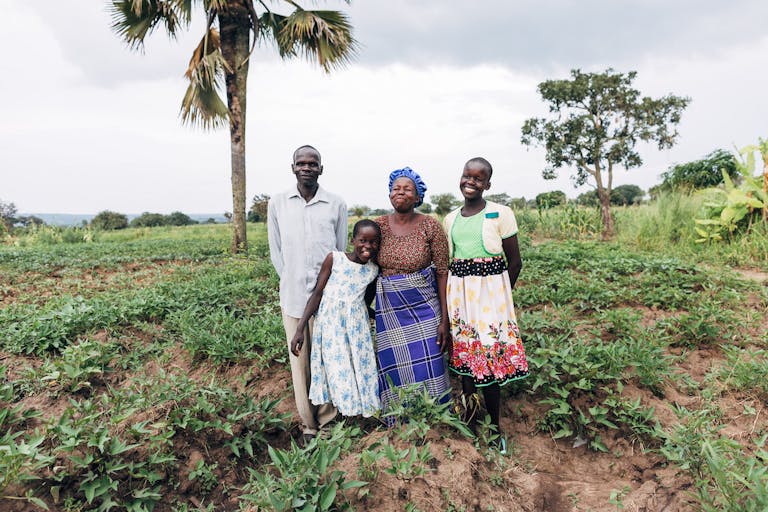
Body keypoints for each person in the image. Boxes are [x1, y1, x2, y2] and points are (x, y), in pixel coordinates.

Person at [442, 157, 529, 452]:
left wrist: (500, 298)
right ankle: (469, 421)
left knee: (490, 365)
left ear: (487, 184)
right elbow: (452, 263)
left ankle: (494, 429)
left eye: (479, 178)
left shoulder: (500, 213)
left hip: (491, 301)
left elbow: (514, 263)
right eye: (467, 175)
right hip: (461, 298)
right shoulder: (451, 219)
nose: (471, 182)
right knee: (466, 362)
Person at [267, 145, 347, 443]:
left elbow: (338, 251)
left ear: (321, 169)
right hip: (293, 298)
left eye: (313, 163)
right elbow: (276, 252)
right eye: (301, 163)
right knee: (299, 365)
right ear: (293, 168)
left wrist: (327, 288)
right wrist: (291, 280)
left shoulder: (335, 203)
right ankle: (308, 425)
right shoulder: (278, 203)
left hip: (327, 299)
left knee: (325, 361)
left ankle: (328, 421)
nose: (307, 168)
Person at [374, 167, 452, 420]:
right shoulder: (378, 226)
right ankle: (399, 420)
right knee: (394, 366)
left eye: (407, 189)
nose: (401, 193)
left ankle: (435, 417)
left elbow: (442, 272)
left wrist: (444, 319)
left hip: (424, 307)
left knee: (431, 361)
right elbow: (364, 265)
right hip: (390, 309)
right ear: (389, 194)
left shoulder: (430, 226)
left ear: (418, 197)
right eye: (396, 188)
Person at [290, 219, 382, 418]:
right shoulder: (335, 259)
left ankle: (364, 414)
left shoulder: (373, 271)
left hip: (357, 329)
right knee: (337, 369)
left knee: (360, 366)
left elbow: (365, 301)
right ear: (353, 240)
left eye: (373, 242)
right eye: (363, 240)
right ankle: (344, 413)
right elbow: (317, 294)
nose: (367, 246)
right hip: (331, 327)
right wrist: (300, 328)